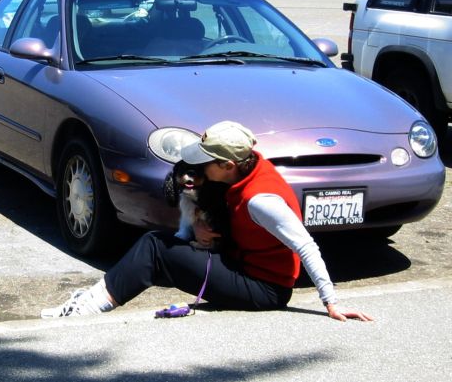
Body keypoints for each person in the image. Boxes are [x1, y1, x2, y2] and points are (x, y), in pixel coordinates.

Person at [41, 121, 373, 322]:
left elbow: (305, 244)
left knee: (156, 246)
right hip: (239, 262)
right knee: (159, 243)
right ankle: (92, 298)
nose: (199, 169)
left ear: (229, 164)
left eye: (206, 163)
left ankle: (91, 307)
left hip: (261, 289)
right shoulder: (246, 166)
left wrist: (331, 303)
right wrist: (200, 226)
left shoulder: (262, 199)